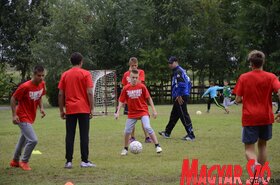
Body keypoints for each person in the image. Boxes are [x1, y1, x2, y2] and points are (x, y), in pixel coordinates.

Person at [234, 50, 280, 183]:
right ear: (262, 62)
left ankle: (255, 169)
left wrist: (242, 99)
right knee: (263, 145)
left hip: (250, 117)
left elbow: (237, 99)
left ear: (251, 64)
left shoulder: (244, 77)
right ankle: (260, 175)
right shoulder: (271, 77)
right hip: (266, 117)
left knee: (249, 148)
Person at [58, 52, 95, 168]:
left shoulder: (65, 74)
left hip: (70, 109)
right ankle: (84, 161)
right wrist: (92, 108)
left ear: (71, 61)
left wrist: (61, 110)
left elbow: (60, 94)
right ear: (81, 62)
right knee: (84, 135)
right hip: (83, 108)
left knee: (70, 135)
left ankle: (68, 162)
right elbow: (89, 92)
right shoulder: (86, 73)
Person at [115, 69, 162, 155]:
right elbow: (121, 101)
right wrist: (117, 112)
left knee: (147, 127)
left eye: (136, 78)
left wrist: (154, 110)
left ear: (138, 78)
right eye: (133, 77)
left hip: (143, 111)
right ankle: (125, 149)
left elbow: (149, 98)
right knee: (127, 131)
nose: (134, 79)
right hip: (132, 113)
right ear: (129, 78)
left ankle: (157, 146)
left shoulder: (142, 87)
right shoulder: (126, 88)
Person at [9, 65, 46, 171]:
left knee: (23, 141)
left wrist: (41, 108)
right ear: (33, 74)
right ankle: (24, 161)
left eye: (43, 75)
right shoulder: (25, 86)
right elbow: (13, 98)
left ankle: (15, 161)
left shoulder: (42, 84)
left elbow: (39, 96)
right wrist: (14, 115)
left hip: (31, 117)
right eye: (39, 75)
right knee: (33, 140)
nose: (41, 78)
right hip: (22, 116)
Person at [158, 56, 195, 141]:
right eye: (169, 63)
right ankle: (167, 132)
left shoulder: (178, 71)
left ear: (176, 62)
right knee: (174, 115)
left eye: (171, 63)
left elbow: (182, 84)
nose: (169, 65)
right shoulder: (180, 71)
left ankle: (191, 134)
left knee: (183, 115)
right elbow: (189, 83)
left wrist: (180, 95)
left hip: (180, 97)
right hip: (180, 95)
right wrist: (187, 93)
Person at [121, 57, 152, 143]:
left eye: (135, 65)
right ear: (129, 65)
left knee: (144, 118)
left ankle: (147, 137)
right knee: (131, 119)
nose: (134, 67)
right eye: (132, 65)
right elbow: (124, 87)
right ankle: (132, 137)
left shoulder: (141, 72)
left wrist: (132, 74)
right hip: (129, 100)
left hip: (139, 99)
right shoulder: (125, 74)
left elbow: (140, 82)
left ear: (137, 65)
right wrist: (123, 101)